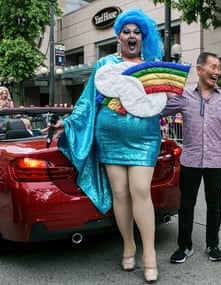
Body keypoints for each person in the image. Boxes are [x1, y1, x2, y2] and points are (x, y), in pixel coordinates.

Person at [49, 9, 165, 283]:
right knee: (120, 193)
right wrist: (66, 123)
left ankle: (149, 254)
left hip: (144, 138)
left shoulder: (153, 66)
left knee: (140, 191)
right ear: (119, 37)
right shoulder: (104, 66)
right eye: (126, 31)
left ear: (143, 36)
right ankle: (128, 245)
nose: (132, 36)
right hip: (110, 138)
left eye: (137, 32)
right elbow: (89, 101)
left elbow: (161, 102)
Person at [161, 52, 221, 264]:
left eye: (219, 68)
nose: (217, 72)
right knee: (186, 205)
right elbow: (161, 110)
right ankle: (184, 246)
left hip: (216, 161)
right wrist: (162, 90)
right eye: (213, 67)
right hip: (191, 160)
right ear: (199, 69)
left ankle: (213, 245)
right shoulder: (184, 96)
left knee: (215, 206)